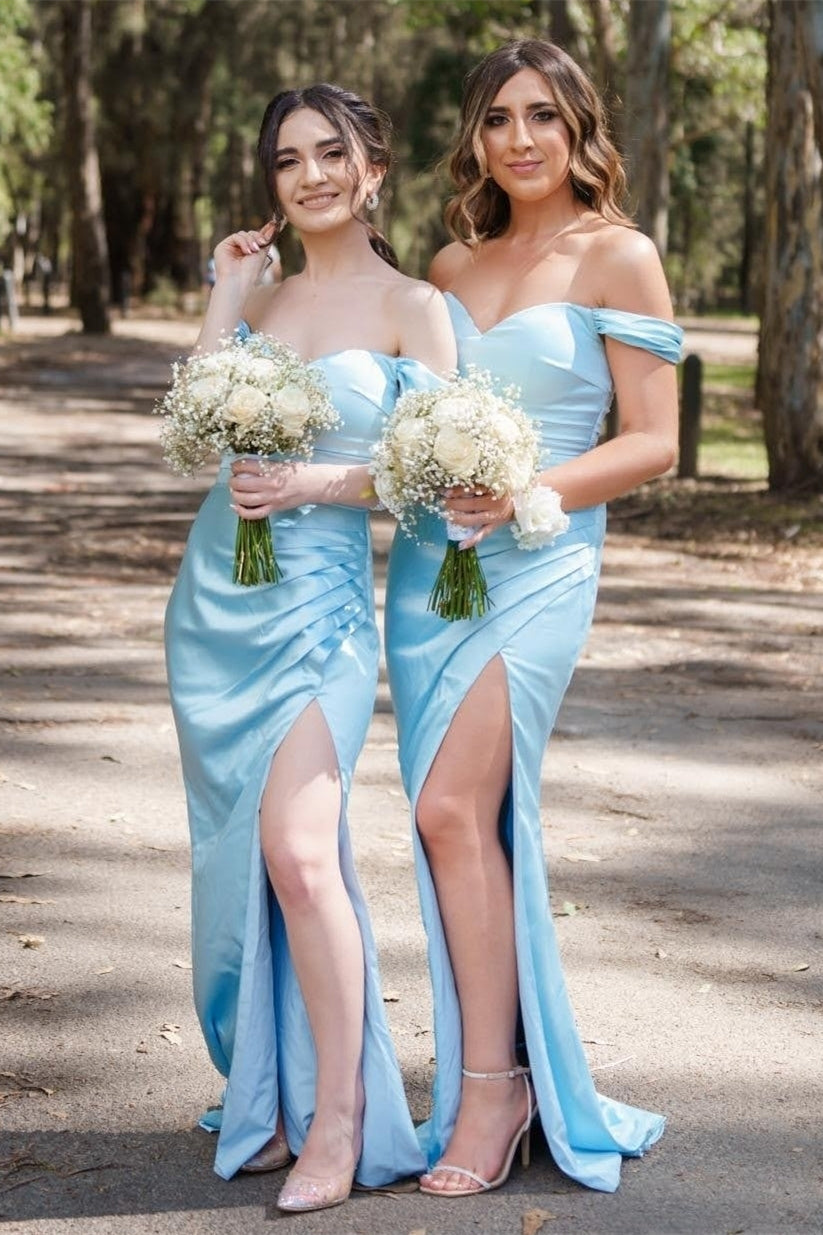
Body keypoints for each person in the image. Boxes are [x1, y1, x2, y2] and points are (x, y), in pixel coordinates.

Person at [384, 38, 682, 1197]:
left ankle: (494, 1091)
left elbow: (654, 439)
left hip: (543, 561)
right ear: (476, 136)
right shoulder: (451, 263)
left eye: (542, 117)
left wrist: (530, 493)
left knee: (456, 805)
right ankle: (490, 1070)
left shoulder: (620, 255)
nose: (519, 138)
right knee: (453, 820)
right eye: (499, 118)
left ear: (578, 129)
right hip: (429, 567)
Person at [164, 83, 455, 1213]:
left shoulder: (414, 306)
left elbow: (432, 472)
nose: (309, 176)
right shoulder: (264, 295)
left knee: (298, 850)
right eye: (287, 160)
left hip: (320, 608)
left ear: (373, 165)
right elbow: (194, 434)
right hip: (215, 605)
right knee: (234, 858)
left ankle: (340, 1118)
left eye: (330, 153)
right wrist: (224, 298)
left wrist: (317, 480)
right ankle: (271, 1093)